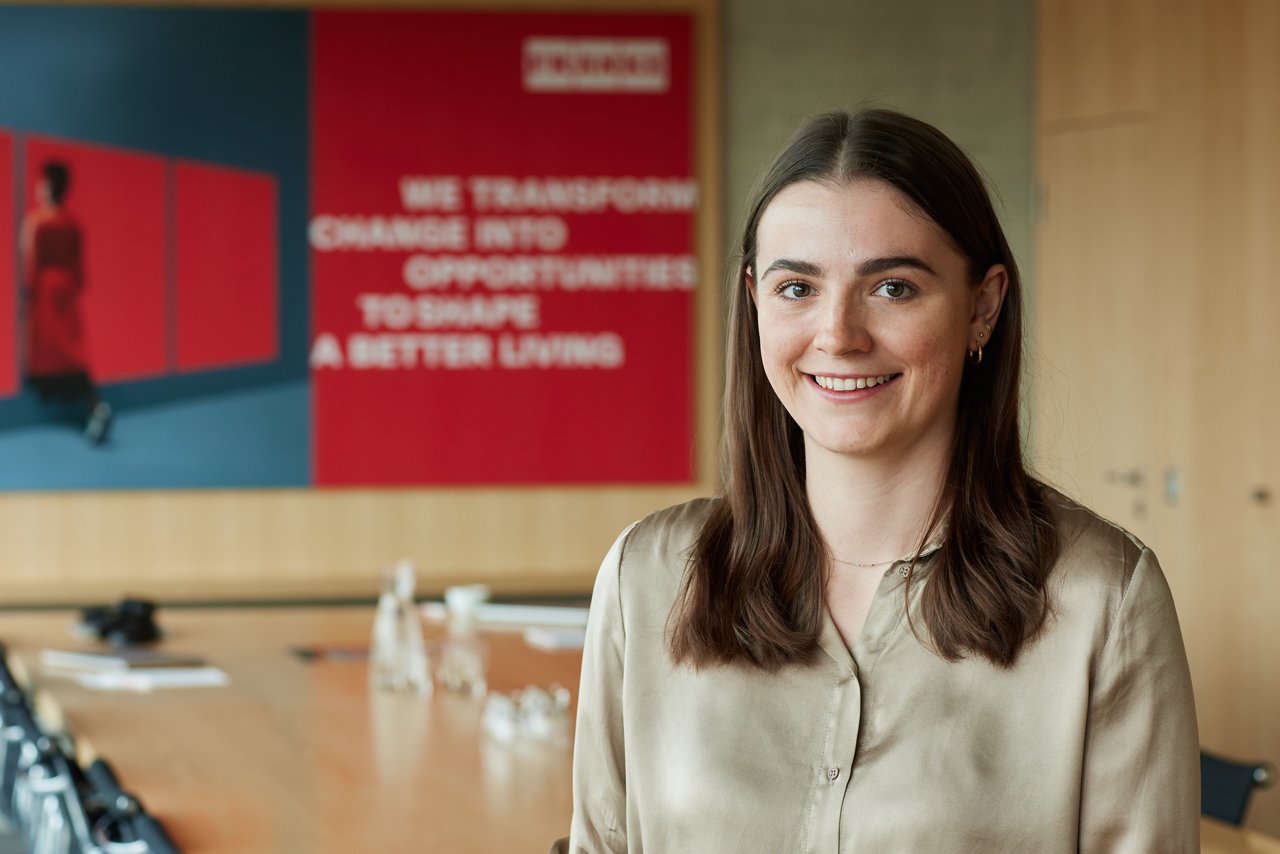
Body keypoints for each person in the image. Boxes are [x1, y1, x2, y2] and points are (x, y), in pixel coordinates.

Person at [563, 109, 1198, 853]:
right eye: (796, 287)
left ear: (982, 307)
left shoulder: (1104, 599)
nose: (838, 334)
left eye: (892, 288)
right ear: (755, 301)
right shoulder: (649, 576)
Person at [21, 160, 113, 444]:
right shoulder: (72, 224)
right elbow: (78, 268)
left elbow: (30, 261)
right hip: (66, 294)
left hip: (47, 295)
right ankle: (94, 406)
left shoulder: (37, 222)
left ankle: (95, 408)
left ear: (48, 186)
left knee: (56, 352)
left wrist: (31, 291)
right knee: (72, 352)